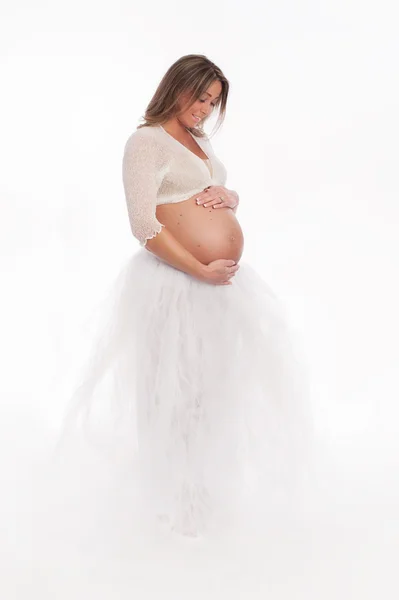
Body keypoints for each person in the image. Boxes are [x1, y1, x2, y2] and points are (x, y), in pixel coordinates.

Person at [55, 54, 314, 538]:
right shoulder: (145, 142)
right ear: (176, 87)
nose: (204, 109)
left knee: (212, 392)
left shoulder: (199, 141)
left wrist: (229, 197)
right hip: (174, 283)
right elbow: (143, 224)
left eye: (213, 102)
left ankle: (202, 494)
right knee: (173, 393)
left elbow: (206, 188)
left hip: (217, 286)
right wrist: (199, 268)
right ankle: (172, 502)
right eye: (200, 97)